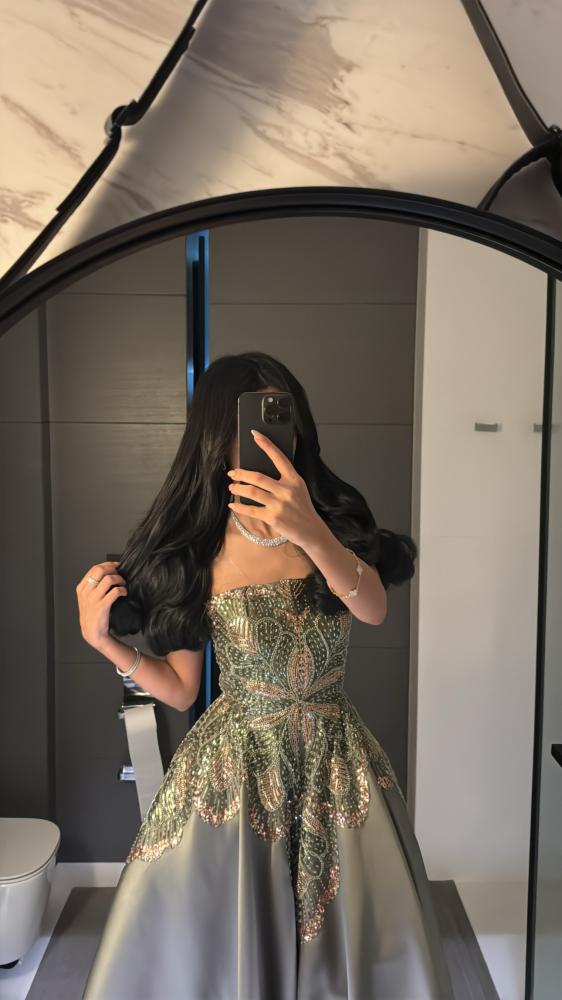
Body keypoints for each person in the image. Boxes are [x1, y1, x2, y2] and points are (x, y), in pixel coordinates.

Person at [79, 351, 453, 999]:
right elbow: (182, 690)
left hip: (337, 764)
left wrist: (312, 532)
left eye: (282, 420)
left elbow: (373, 608)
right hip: (235, 772)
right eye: (246, 427)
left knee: (357, 943)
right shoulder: (198, 552)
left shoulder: (331, 523)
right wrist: (103, 642)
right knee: (232, 947)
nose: (266, 440)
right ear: (214, 438)